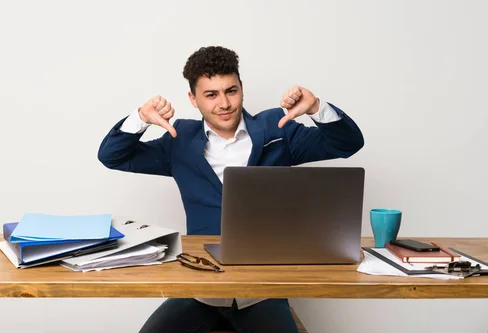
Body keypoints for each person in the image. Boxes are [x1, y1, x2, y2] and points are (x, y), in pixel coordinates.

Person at [97, 46, 364, 333]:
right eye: (211, 94)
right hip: (202, 287)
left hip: (261, 289)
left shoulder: (278, 128)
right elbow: (113, 157)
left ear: (241, 89)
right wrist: (140, 118)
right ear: (194, 99)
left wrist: (316, 107)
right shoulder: (180, 139)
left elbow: (347, 144)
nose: (224, 103)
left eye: (231, 91)